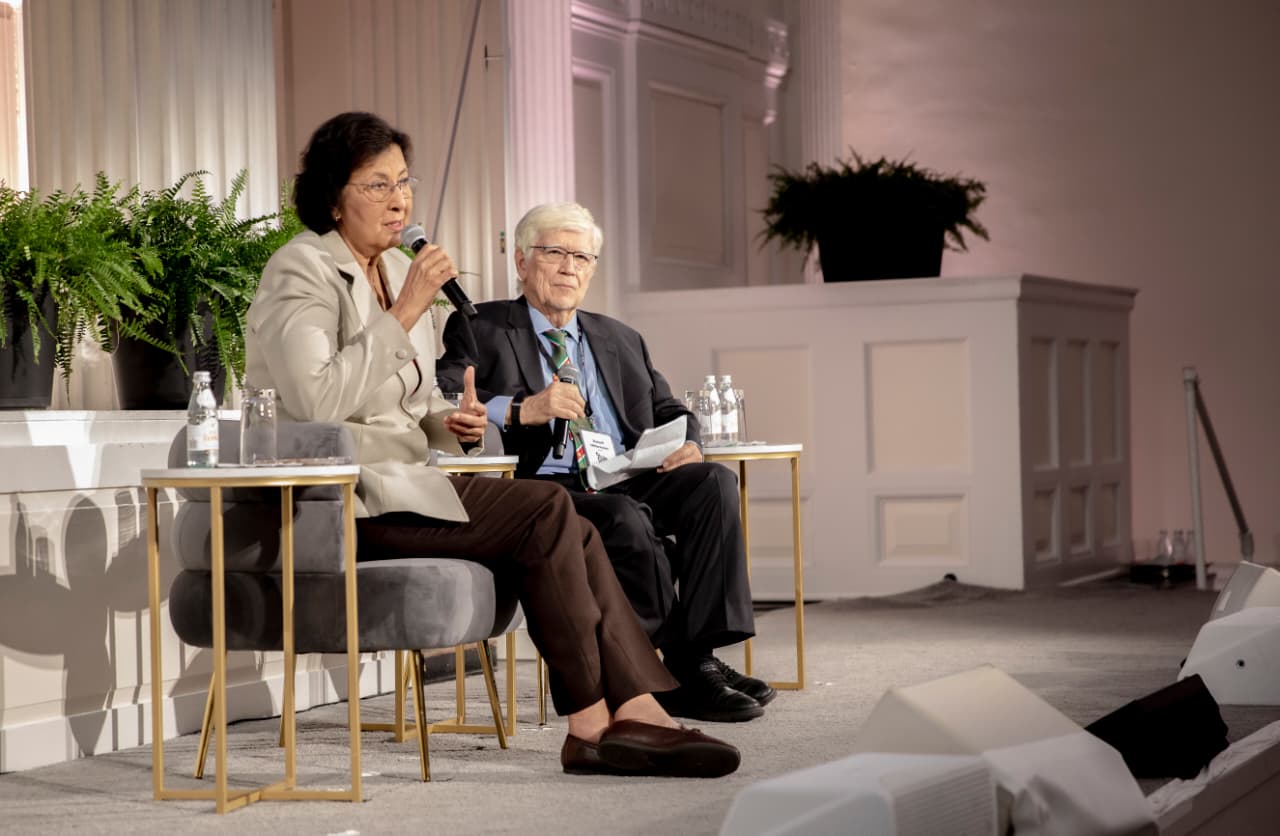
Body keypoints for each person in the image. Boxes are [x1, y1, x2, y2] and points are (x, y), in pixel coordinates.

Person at [243, 111, 739, 778]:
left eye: (403, 182)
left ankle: (622, 714)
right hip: (338, 499)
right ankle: (602, 721)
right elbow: (316, 401)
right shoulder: (301, 268)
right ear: (334, 198)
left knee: (573, 526)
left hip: (404, 484)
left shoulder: (392, 270)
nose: (399, 200)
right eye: (377, 185)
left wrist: (455, 422)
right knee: (549, 508)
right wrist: (408, 310)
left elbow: (410, 405)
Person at [437, 201, 774, 724]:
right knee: (623, 518)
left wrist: (690, 442)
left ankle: (694, 654)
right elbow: (446, 395)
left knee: (713, 482)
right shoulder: (481, 326)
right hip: (545, 487)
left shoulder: (620, 337)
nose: (569, 268)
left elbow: (672, 410)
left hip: (625, 473)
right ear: (522, 261)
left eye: (582, 257)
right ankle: (680, 671)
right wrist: (525, 409)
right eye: (555, 253)